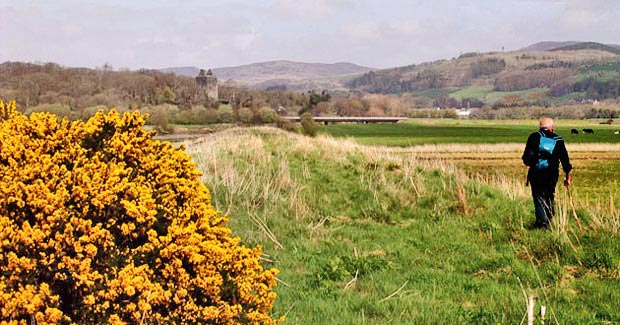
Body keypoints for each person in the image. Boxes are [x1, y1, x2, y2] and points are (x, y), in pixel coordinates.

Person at [521, 117, 572, 229]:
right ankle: (549, 220)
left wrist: (533, 162)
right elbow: (565, 161)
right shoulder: (558, 139)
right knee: (549, 195)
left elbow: (526, 158)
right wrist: (568, 178)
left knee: (538, 197)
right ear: (552, 128)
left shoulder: (534, 136)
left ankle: (542, 223)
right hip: (552, 174)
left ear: (540, 127)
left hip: (536, 173)